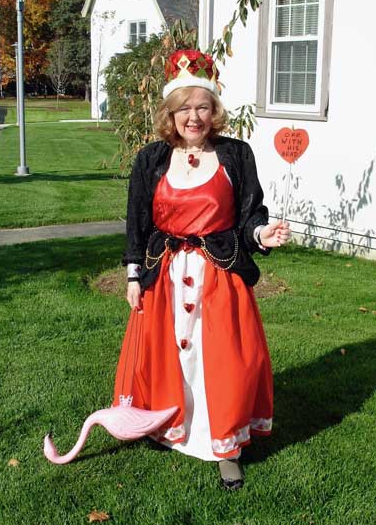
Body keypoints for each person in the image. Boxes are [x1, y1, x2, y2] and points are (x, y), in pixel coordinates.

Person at [113, 49, 290, 490]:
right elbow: (137, 220)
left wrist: (260, 234)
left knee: (225, 362)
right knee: (169, 356)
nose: (193, 117)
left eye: (203, 107)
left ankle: (225, 446)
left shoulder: (235, 154)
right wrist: (134, 274)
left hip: (219, 277)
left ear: (215, 112)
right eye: (184, 109)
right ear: (170, 114)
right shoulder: (151, 159)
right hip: (165, 274)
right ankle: (169, 426)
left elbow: (251, 212)